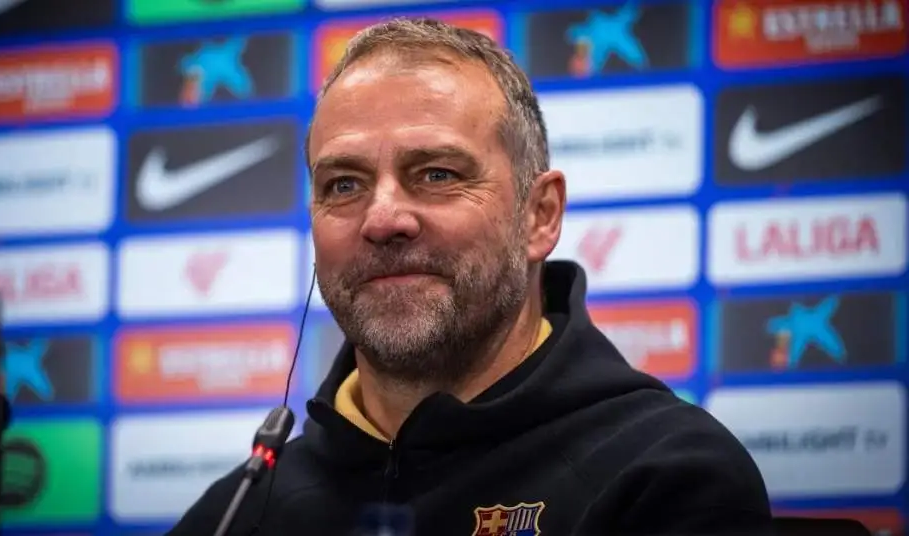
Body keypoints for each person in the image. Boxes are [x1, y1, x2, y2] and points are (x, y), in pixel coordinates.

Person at [168, 17, 772, 536]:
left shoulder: (668, 477)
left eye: (437, 174)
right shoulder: (239, 512)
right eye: (343, 184)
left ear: (540, 216)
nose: (383, 219)